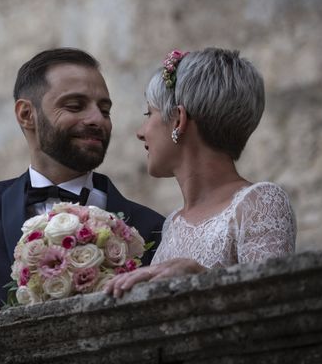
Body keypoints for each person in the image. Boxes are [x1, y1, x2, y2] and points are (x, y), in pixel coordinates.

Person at [0, 48, 165, 327]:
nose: (97, 120)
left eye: (105, 110)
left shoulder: (150, 226)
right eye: (75, 106)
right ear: (26, 114)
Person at [104, 48, 296, 298]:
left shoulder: (260, 202)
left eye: (149, 113)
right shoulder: (172, 224)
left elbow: (274, 302)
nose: (141, 131)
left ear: (178, 120)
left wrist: (202, 278)